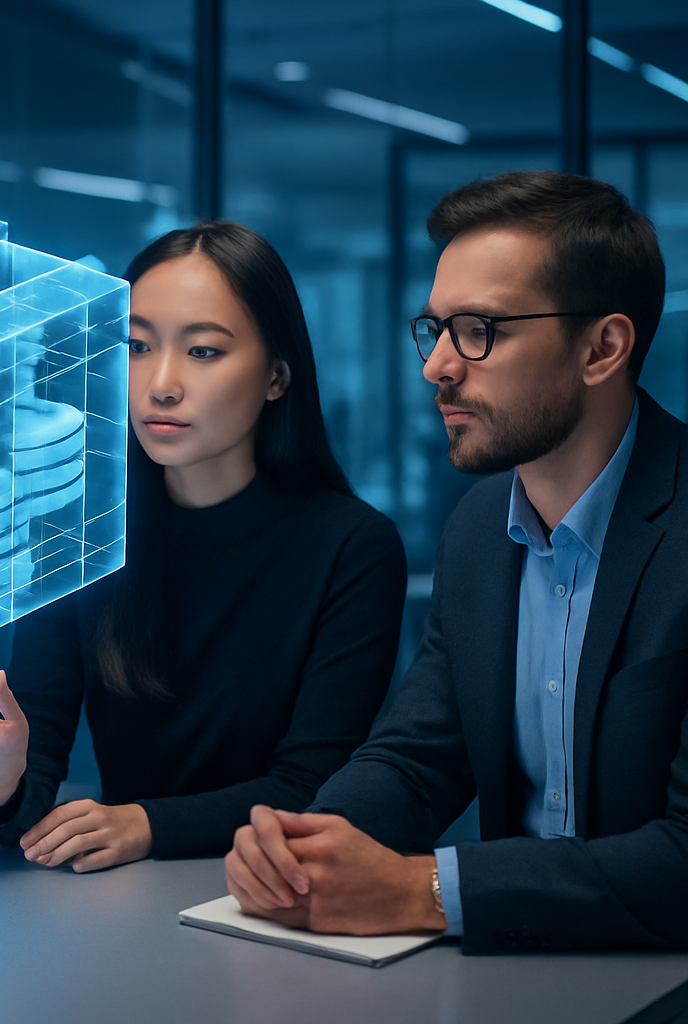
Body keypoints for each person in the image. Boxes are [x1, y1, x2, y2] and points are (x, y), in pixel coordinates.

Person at [224, 171, 688, 954]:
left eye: (479, 330)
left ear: (603, 347)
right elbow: (416, 756)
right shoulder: (478, 529)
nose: (438, 365)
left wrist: (422, 889)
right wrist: (304, 848)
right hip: (517, 972)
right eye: (434, 328)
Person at [0, 222, 407, 871]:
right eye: (136, 346)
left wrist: (146, 824)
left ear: (278, 375)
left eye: (203, 352)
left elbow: (313, 787)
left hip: (283, 892)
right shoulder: (80, 528)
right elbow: (36, 788)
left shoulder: (353, 547)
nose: (161, 383)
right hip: (123, 906)